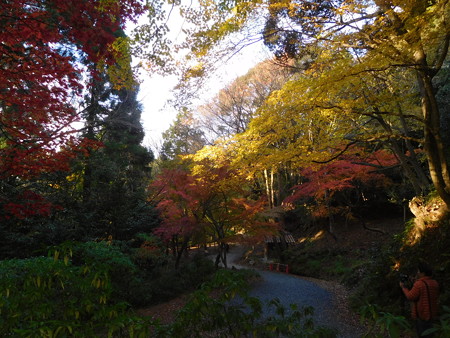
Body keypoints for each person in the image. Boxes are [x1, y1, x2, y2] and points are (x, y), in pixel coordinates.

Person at [400, 261, 439, 337]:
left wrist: (403, 287)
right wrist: (415, 281)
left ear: (423, 273)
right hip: (432, 315)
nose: (417, 273)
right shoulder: (434, 283)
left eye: (418, 271)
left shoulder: (419, 284)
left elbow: (410, 296)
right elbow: (425, 289)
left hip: (422, 316)